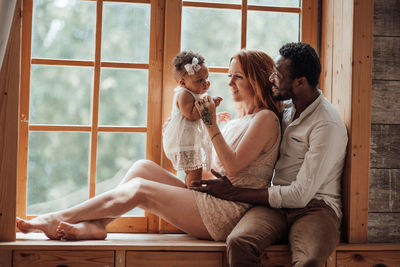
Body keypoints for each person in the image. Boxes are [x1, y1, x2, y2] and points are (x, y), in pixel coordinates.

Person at [16, 49, 282, 242]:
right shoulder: (239, 120)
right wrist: (183, 137)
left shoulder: (266, 119)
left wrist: (210, 124)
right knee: (142, 168)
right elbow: (215, 170)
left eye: (238, 77)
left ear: (256, 79)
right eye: (230, 75)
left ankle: (58, 217)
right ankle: (96, 226)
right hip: (211, 197)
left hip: (228, 213)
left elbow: (234, 169)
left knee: (140, 189)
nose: (229, 82)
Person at [191, 42, 348, 267]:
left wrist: (234, 193)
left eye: (277, 75)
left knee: (308, 261)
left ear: (300, 82)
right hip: (277, 207)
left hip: (315, 208)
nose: (270, 79)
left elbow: (300, 195)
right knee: (238, 241)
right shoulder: (285, 111)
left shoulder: (327, 124)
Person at [163, 50, 222, 186]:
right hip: (183, 142)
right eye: (200, 80)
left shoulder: (193, 92)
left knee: (196, 171)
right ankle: (191, 193)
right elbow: (192, 114)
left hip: (189, 140)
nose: (205, 83)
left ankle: (191, 190)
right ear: (183, 83)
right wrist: (210, 104)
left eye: (206, 78)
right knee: (194, 173)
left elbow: (200, 113)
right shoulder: (184, 94)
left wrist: (214, 112)